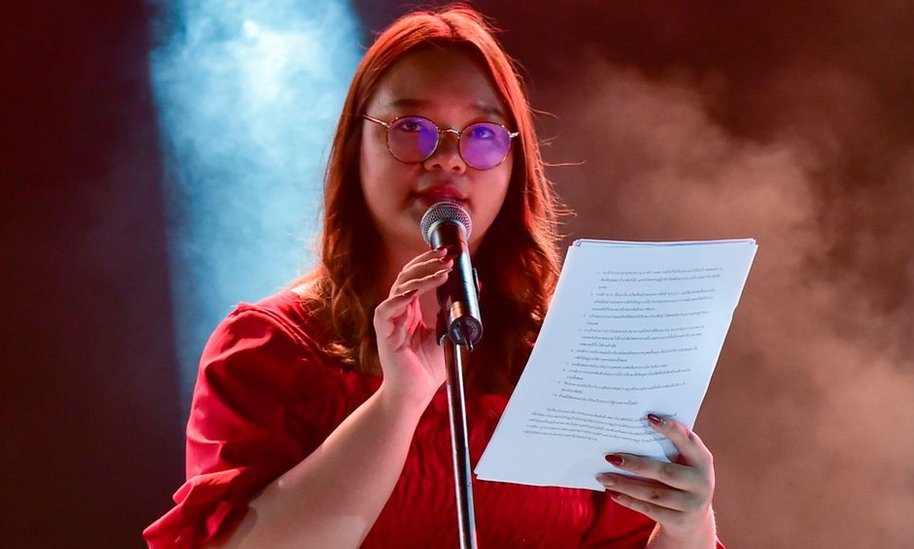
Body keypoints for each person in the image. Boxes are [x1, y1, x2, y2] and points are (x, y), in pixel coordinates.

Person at [144, 6, 724, 548]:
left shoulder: (567, 353)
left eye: (482, 135)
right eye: (411, 128)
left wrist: (687, 524)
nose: (447, 158)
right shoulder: (270, 348)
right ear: (355, 149)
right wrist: (401, 400)